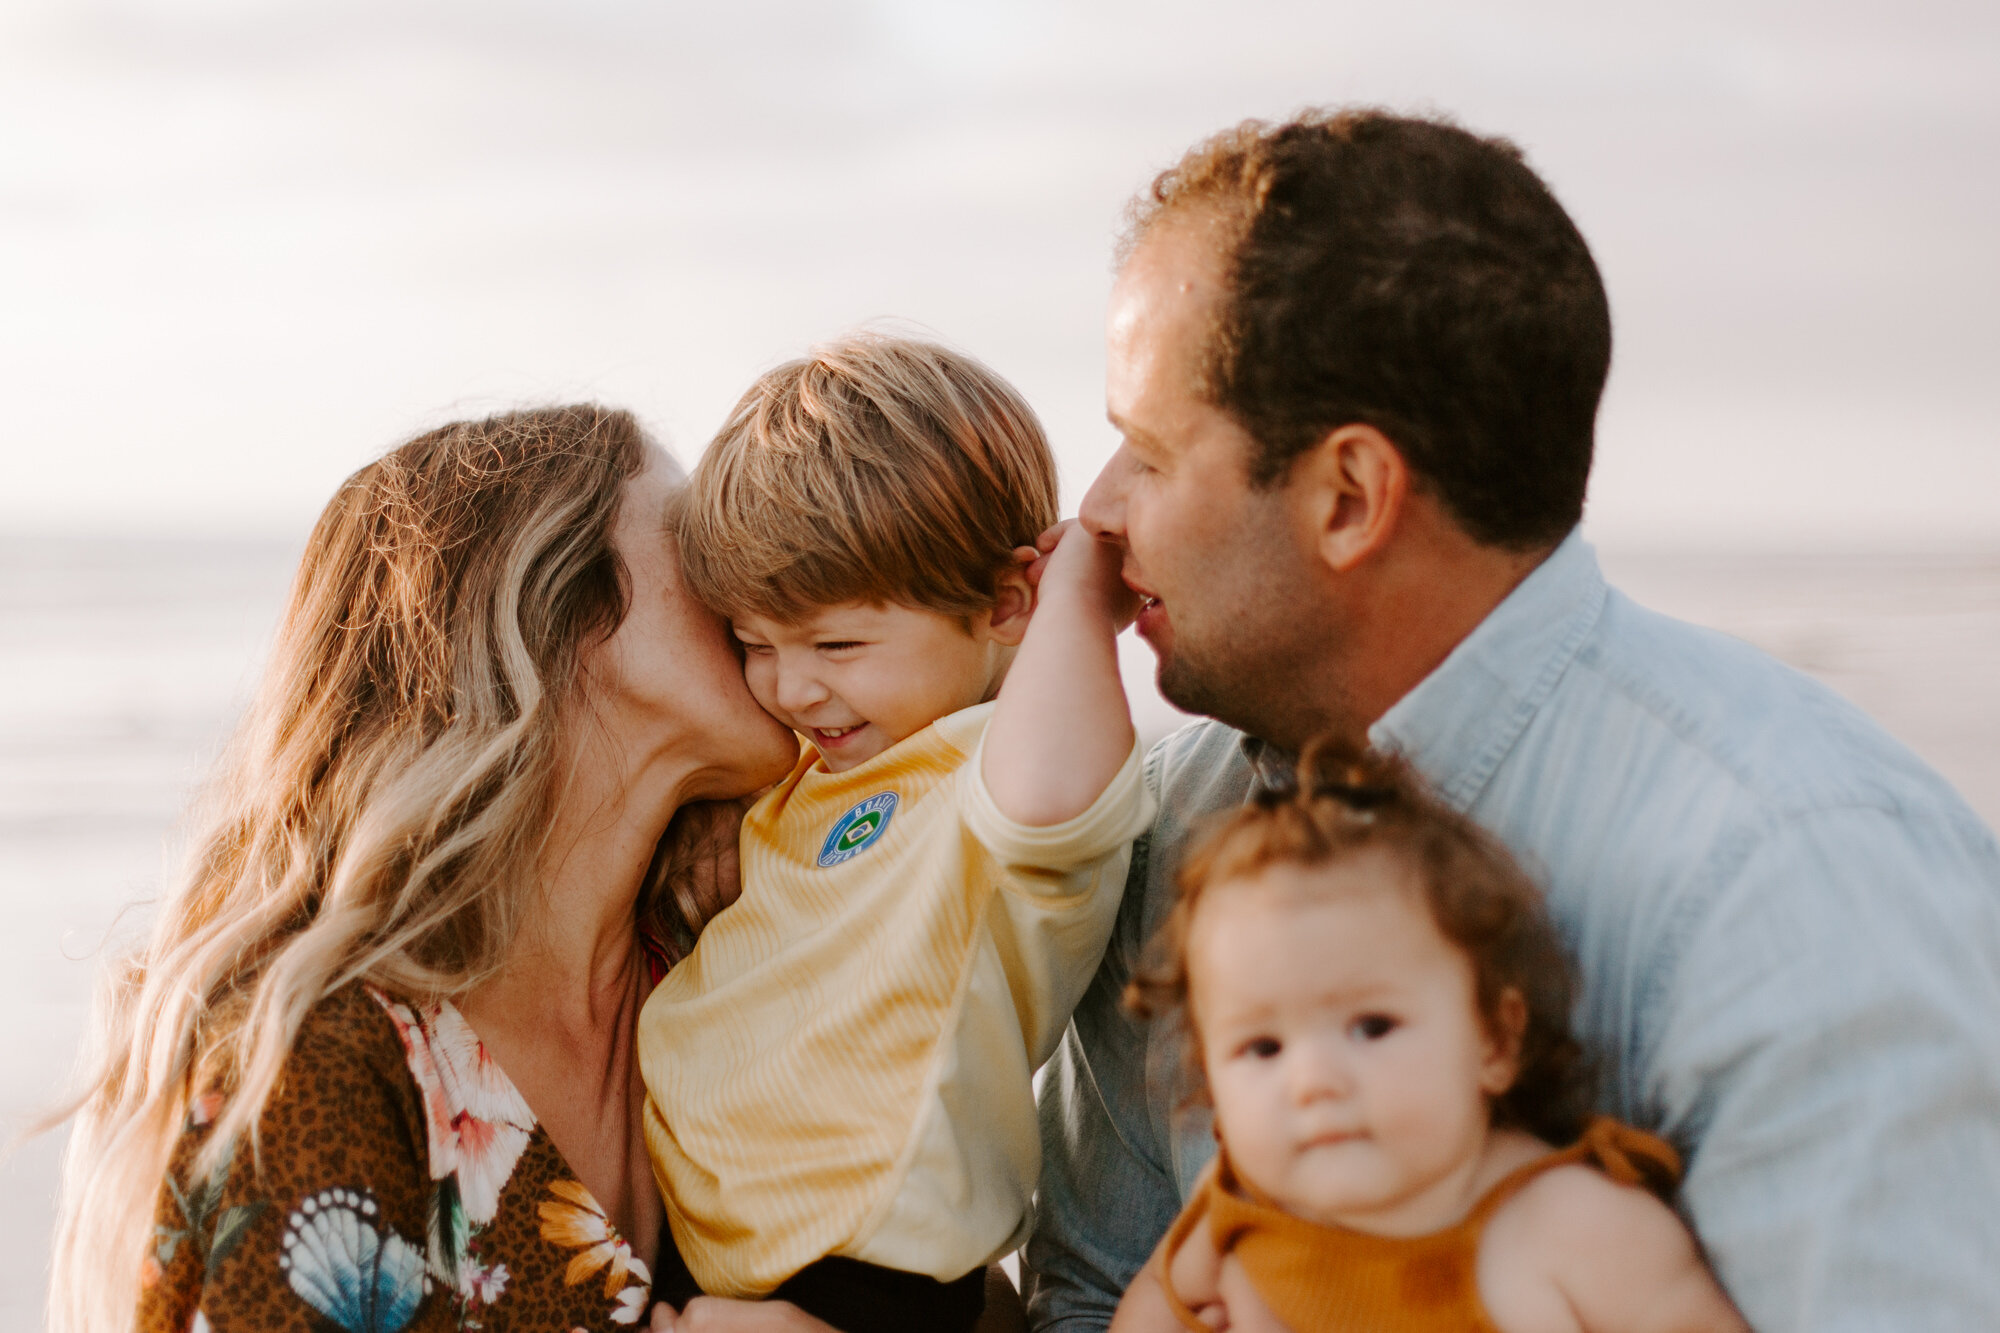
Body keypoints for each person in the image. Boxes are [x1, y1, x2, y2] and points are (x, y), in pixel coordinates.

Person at [1025, 110, 2000, 1331]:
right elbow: (1087, 1289)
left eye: (1147, 454)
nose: (1098, 512)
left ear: (1347, 496)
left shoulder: (1800, 877)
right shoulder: (1180, 812)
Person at [45, 406, 807, 1332]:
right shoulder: (321, 1061)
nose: (760, 569)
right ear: (553, 614)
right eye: (698, 540)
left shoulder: (731, 952)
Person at [640, 335, 1154, 1333]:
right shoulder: (824, 770)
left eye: (837, 644)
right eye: (756, 644)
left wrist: (1077, 597)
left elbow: (1049, 802)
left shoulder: (993, 769)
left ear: (1004, 603)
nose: (792, 687)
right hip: (708, 1244)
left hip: (859, 1272)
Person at [1107, 742, 1746, 1333]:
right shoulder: (1236, 1205)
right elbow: (1150, 1311)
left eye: (1373, 1027)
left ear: (1494, 1042)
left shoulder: (1578, 1228)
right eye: (1262, 1048)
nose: (1313, 1081)